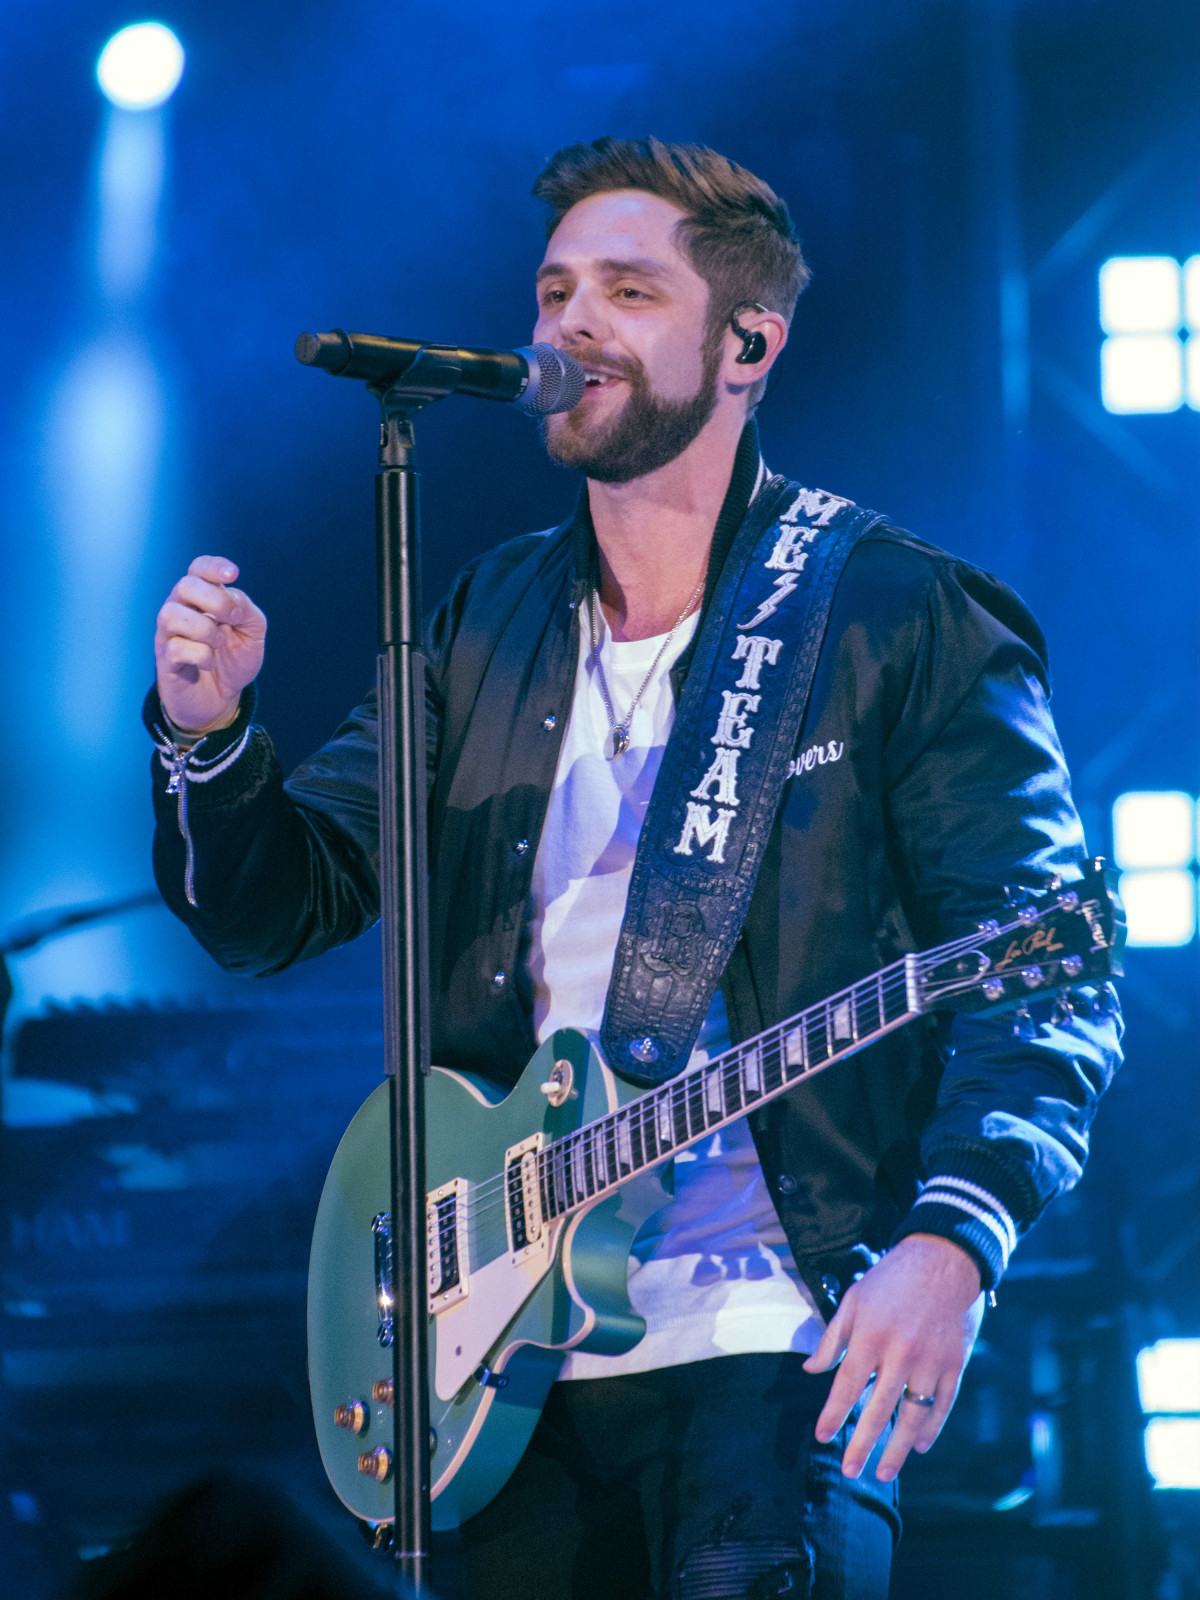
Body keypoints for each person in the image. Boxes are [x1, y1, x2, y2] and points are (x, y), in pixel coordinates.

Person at [147, 137, 1122, 1600]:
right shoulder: (482, 618)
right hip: (501, 1359)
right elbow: (285, 904)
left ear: (746, 345)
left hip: (775, 1339)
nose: (566, 327)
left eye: (624, 289)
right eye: (551, 292)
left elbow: (1047, 972)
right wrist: (208, 739)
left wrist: (954, 1238)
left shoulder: (893, 613)